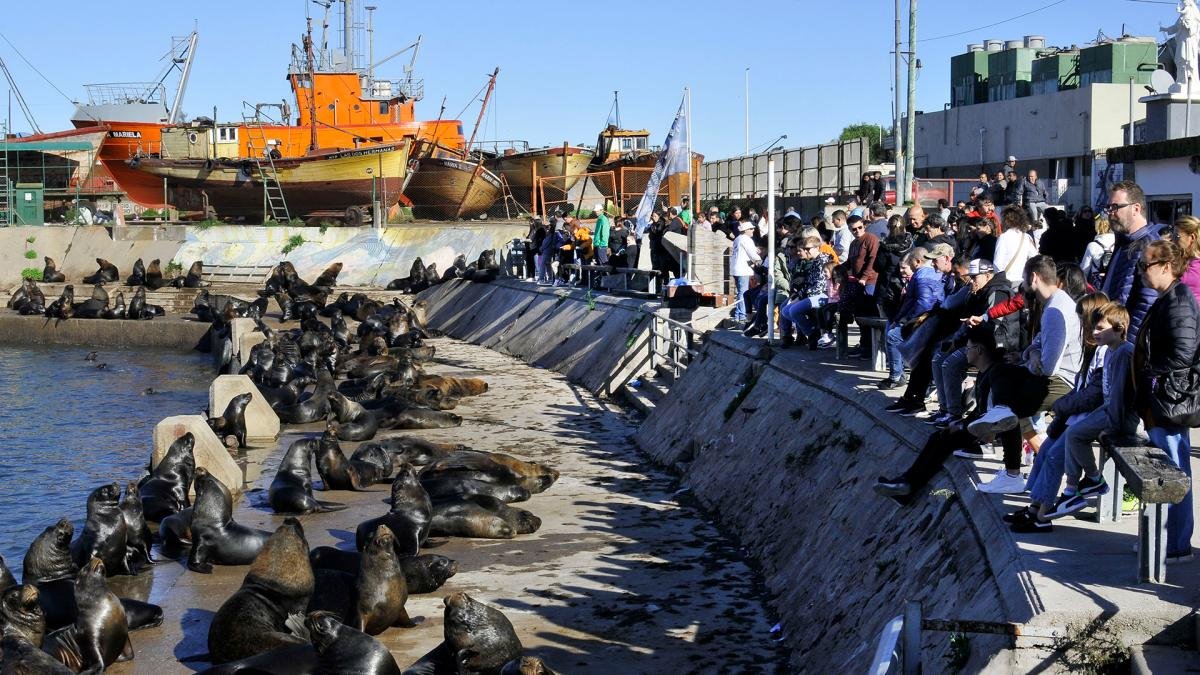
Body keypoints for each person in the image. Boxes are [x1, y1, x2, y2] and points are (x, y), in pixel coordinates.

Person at [967, 255, 1083, 494]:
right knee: (1001, 374)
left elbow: (1048, 366)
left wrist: (1030, 357)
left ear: (1033, 277)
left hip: (1062, 382)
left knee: (1011, 408)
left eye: (1024, 278)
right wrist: (1029, 355)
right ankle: (998, 421)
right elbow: (1037, 346)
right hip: (1054, 377)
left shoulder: (1056, 310)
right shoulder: (1054, 304)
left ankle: (1011, 472)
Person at [873, 326, 1002, 501]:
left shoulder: (994, 374)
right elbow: (981, 410)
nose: (965, 352)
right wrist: (961, 423)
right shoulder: (985, 371)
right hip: (980, 425)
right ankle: (905, 486)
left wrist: (964, 426)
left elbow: (991, 414)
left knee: (943, 441)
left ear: (979, 350)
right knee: (938, 437)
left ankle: (906, 485)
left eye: (968, 348)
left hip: (988, 434)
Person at [1132, 239, 1198, 562]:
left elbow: (1184, 354)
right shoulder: (1167, 298)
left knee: (1174, 471)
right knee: (1168, 467)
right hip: (1162, 400)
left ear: (1167, 267)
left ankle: (1176, 544)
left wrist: (1155, 380)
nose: (1142, 272)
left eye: (1146, 266)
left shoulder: (1179, 301)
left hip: (1170, 402)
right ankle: (1166, 538)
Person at [1101, 180, 1161, 342]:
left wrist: (1127, 344)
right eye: (1108, 208)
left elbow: (1147, 302)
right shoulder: (1124, 241)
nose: (1110, 213)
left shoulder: (1149, 246)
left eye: (1115, 207)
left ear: (1136, 209)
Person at [880, 245, 944, 389]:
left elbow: (924, 303)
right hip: (928, 317)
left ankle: (897, 375)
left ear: (916, 261)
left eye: (910, 263)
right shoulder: (931, 273)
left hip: (924, 319)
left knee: (893, 336)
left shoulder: (922, 275)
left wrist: (907, 320)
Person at [781, 234, 835, 348]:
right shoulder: (814, 261)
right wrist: (799, 295)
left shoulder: (823, 261)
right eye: (804, 249)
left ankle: (812, 334)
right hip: (811, 294)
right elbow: (809, 283)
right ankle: (812, 331)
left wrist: (803, 297)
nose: (806, 251)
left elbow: (820, 286)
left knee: (794, 310)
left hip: (824, 295)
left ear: (817, 248)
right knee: (785, 311)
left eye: (808, 249)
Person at [993, 207, 1037, 287]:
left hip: (1007, 281)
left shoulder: (1003, 237)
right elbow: (1035, 258)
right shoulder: (1026, 237)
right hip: (1023, 281)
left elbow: (997, 263)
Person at [730, 222, 761, 325]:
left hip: (736, 268)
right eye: (751, 229)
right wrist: (761, 261)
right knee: (743, 293)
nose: (753, 230)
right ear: (746, 230)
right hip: (743, 269)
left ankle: (738, 315)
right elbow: (753, 254)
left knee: (740, 292)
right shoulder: (746, 239)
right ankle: (742, 315)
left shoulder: (738, 238)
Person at [1080, 216, 1116, 290]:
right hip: (1113, 279)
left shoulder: (1092, 245)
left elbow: (1084, 269)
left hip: (1097, 281)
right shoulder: (1117, 243)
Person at [1172, 214, 1200, 302]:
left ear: (1191, 237)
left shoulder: (1195, 266)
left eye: (1177, 236)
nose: (1173, 240)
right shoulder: (1182, 259)